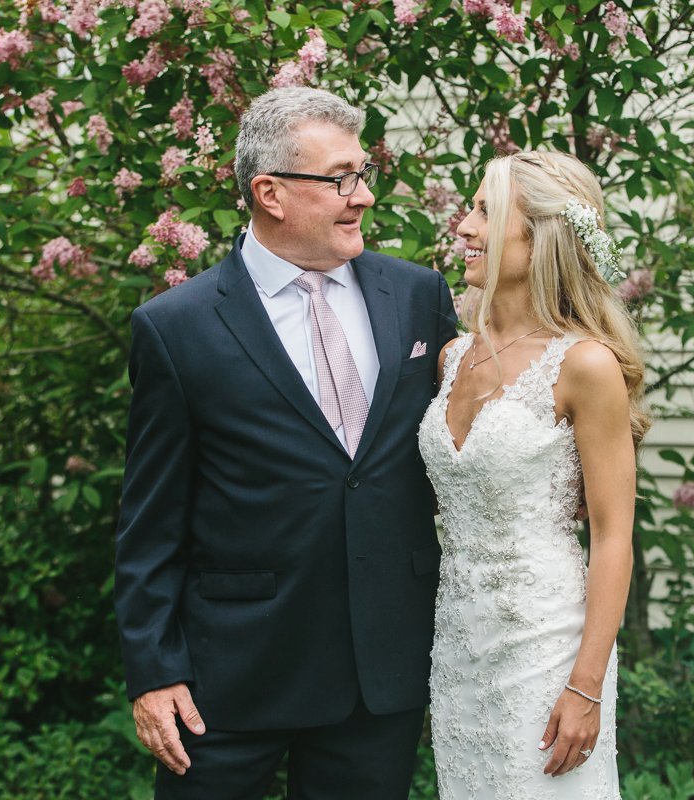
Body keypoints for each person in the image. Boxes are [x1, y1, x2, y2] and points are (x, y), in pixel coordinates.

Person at [113, 86, 458, 800]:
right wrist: (154, 671)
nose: (361, 196)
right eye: (339, 179)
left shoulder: (420, 294)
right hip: (229, 677)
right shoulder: (176, 327)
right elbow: (149, 522)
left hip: (378, 673)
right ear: (269, 192)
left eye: (362, 174)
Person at [417, 150, 649, 798]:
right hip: (459, 641)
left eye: (486, 211)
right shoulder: (452, 357)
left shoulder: (586, 365)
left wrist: (586, 684)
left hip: (548, 645)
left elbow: (612, 537)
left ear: (541, 233)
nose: (464, 226)